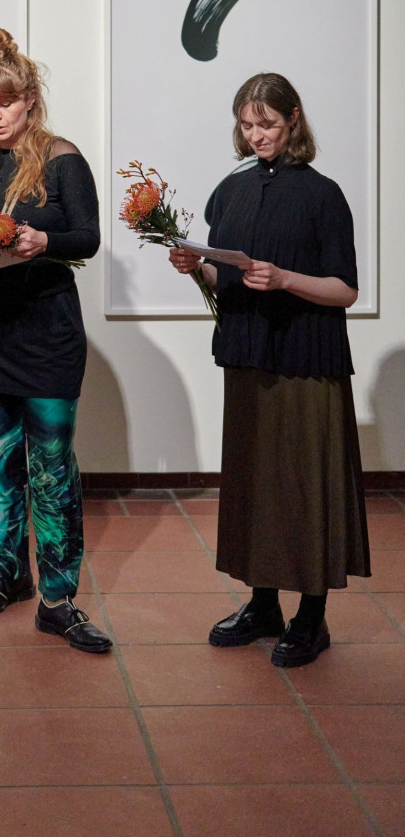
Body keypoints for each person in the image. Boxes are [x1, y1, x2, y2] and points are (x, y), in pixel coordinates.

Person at [169, 72, 370, 667]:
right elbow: (228, 275)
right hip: (248, 354)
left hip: (307, 360)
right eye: (247, 125)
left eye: (268, 124)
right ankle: (262, 605)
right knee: (254, 481)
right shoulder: (232, 190)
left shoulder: (323, 194)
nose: (257, 135)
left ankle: (312, 618)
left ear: (295, 119)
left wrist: (284, 278)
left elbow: (345, 290)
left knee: (305, 488)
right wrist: (195, 267)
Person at [0, 28, 111, 653]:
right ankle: (7, 577)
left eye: (4, 102)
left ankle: (58, 600)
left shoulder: (62, 157)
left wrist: (43, 240)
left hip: (46, 333)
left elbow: (87, 236)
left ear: (29, 100)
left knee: (52, 473)